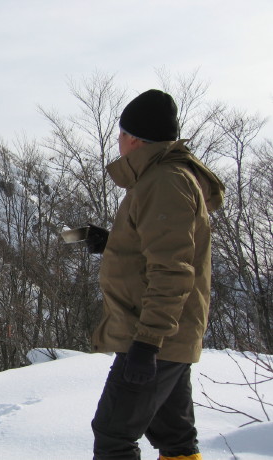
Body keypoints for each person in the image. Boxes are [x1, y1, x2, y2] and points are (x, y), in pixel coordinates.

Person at [86, 89, 225, 460]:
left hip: (152, 337)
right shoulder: (163, 178)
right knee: (174, 437)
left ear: (134, 138)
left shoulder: (164, 181)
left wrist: (147, 344)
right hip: (167, 337)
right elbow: (157, 249)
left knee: (114, 434)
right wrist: (113, 243)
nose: (118, 142)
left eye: (120, 134)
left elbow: (172, 270)